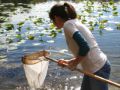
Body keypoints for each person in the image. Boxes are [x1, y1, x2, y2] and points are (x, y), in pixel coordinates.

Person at [49, 2, 111, 90]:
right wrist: (69, 62)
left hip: (98, 68)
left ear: (56, 17)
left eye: (52, 20)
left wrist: (74, 63)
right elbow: (85, 51)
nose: (53, 23)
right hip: (92, 68)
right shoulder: (74, 22)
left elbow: (85, 47)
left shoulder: (68, 25)